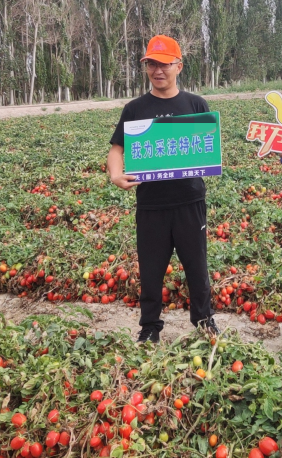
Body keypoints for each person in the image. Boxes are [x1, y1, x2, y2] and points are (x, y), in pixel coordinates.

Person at [107, 35, 218, 343]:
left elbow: (206, 146)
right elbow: (117, 149)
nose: (158, 70)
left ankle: (204, 319)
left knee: (197, 266)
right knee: (151, 268)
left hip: (189, 201)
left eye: (165, 64)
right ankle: (150, 326)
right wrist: (116, 175)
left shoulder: (195, 105)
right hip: (151, 204)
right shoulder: (135, 109)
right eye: (152, 64)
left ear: (178, 67)